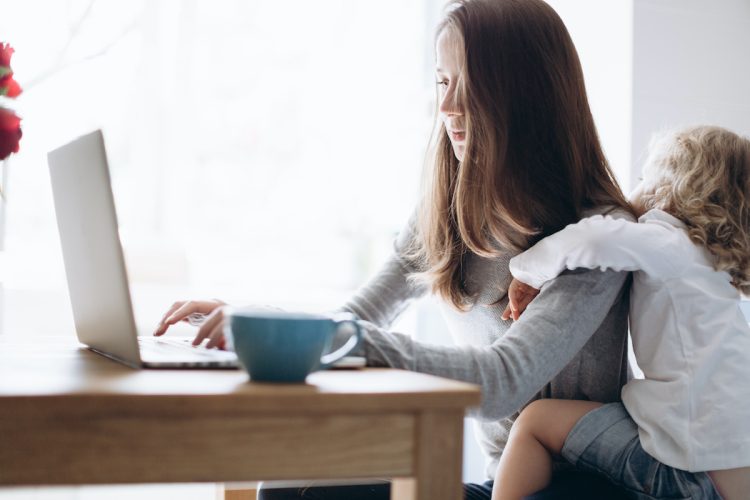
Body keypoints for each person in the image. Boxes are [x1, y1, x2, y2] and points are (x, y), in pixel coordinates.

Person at [154, 0, 637, 497]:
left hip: (586, 487)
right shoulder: (448, 213)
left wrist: (332, 338)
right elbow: (353, 317)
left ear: (527, 93)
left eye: (467, 83)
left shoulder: (601, 237)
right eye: (442, 82)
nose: (447, 108)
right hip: (501, 486)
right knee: (287, 487)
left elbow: (500, 382)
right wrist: (259, 325)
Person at [492, 126, 750, 500]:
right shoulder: (715, 270)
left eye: (644, 177)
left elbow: (595, 238)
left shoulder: (668, 242)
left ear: (668, 190)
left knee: (534, 421)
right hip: (736, 477)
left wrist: (526, 272)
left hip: (688, 473)